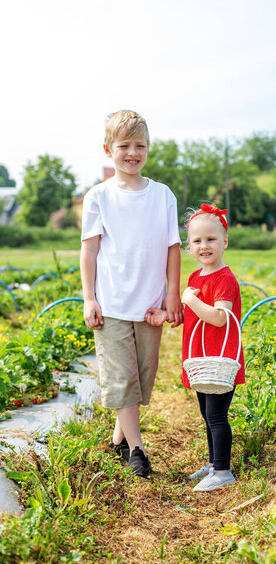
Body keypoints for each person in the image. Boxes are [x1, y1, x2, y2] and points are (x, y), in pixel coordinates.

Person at [80, 110, 183, 477]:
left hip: (150, 304)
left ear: (148, 149)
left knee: (142, 375)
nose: (132, 153)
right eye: (124, 145)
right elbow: (90, 250)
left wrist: (173, 294)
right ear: (108, 149)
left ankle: (118, 440)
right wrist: (89, 298)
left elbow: (173, 247)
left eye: (139, 145)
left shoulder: (162, 196)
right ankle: (137, 450)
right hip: (111, 303)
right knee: (122, 377)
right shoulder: (99, 196)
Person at [146, 203, 245, 491]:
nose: (204, 246)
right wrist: (168, 314)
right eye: (197, 241)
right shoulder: (195, 278)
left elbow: (217, 317)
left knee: (217, 416)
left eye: (211, 239)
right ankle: (214, 463)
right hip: (201, 358)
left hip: (220, 357)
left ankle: (224, 472)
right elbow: (193, 315)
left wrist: (190, 300)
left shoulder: (224, 279)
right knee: (206, 414)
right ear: (189, 246)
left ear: (225, 241)